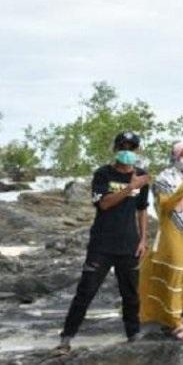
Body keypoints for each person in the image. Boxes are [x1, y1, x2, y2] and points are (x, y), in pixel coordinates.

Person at [56, 132, 150, 354]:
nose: (127, 151)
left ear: (136, 150)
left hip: (129, 244)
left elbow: (142, 209)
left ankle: (133, 334)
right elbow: (104, 204)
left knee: (131, 293)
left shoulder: (141, 176)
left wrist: (144, 239)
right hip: (102, 244)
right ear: (115, 149)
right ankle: (66, 338)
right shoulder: (103, 174)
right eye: (122, 146)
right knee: (86, 291)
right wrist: (129, 187)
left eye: (131, 147)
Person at [139, 141, 183, 341]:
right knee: (174, 271)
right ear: (175, 156)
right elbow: (165, 205)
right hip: (172, 229)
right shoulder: (163, 177)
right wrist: (182, 189)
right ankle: (172, 320)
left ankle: (180, 312)